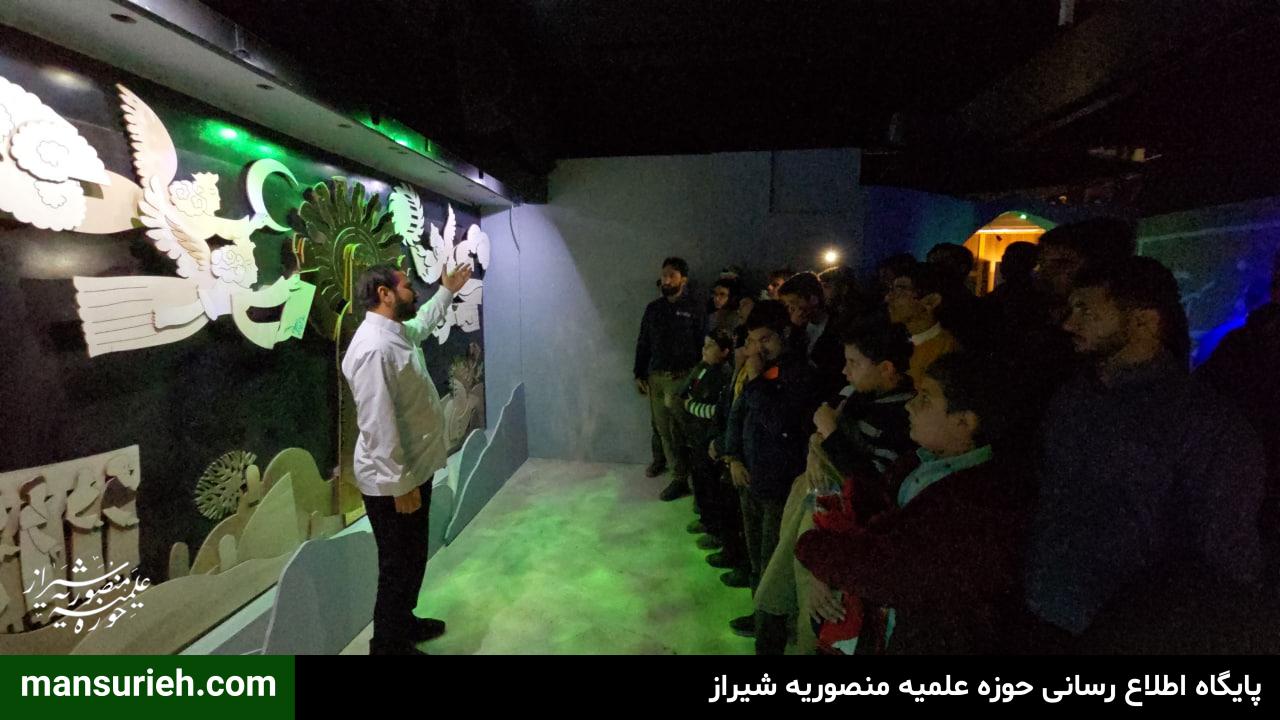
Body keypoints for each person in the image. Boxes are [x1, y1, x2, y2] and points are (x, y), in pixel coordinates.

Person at [1025, 256, 1267, 653]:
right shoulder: (1073, 397)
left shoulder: (1204, 422)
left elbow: (1225, 548)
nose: (1069, 323)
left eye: (1086, 310)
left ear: (1143, 322)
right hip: (1048, 610)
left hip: (1135, 631)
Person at [796, 352, 1032, 654]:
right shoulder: (919, 463)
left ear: (964, 421)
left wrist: (814, 548)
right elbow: (875, 513)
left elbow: (890, 570)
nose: (909, 405)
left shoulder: (978, 503)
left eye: (925, 398)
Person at [342, 261, 473, 655]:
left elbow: (423, 323)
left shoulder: (395, 333)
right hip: (392, 483)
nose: (414, 291)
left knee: (413, 556)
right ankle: (387, 645)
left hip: (411, 471)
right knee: (397, 565)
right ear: (384, 294)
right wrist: (400, 485)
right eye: (406, 285)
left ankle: (403, 622)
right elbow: (377, 425)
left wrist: (447, 291)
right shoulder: (374, 349)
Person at [722, 300, 822, 635]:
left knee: (771, 562)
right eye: (752, 340)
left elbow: (780, 424)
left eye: (765, 339)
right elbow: (738, 414)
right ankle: (759, 615)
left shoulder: (799, 373)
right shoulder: (760, 371)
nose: (757, 349)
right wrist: (733, 457)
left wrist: (754, 379)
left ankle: (773, 629)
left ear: (784, 333)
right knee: (756, 557)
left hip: (779, 486)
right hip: (750, 478)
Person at [634, 257, 705, 501]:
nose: (666, 280)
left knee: (685, 431)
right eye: (664, 275)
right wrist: (639, 372)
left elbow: (702, 343)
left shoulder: (695, 308)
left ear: (683, 279)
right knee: (664, 431)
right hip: (656, 378)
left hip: (683, 378)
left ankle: (699, 480)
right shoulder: (653, 309)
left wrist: (698, 378)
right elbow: (643, 341)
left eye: (671, 275)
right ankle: (679, 478)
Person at [884, 262, 960, 386]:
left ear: (931, 301)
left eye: (900, 290)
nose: (888, 298)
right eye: (891, 290)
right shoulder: (896, 340)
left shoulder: (944, 352)